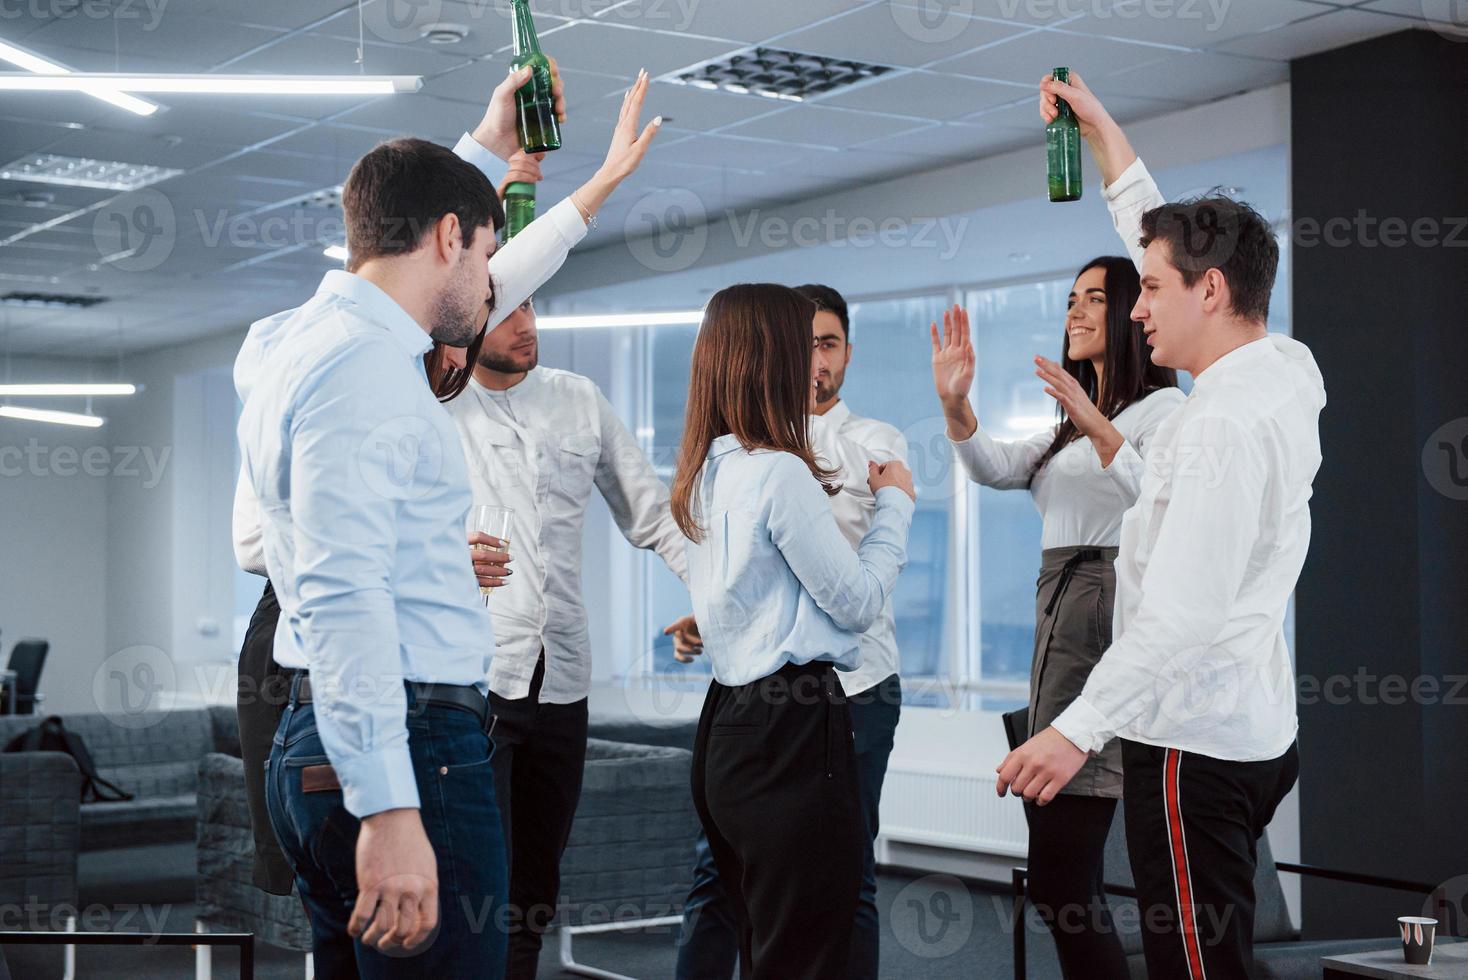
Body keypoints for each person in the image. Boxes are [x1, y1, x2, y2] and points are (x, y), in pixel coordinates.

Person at [234, 69, 661, 979]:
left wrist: (482, 148)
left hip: (325, 742)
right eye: (482, 256)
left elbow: (416, 237)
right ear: (449, 238)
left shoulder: (298, 339)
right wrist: (390, 810)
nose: (493, 287)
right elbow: (342, 592)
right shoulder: (363, 370)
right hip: (409, 744)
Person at [997, 70, 1325, 979]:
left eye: (1146, 290)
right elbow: (1154, 231)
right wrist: (1105, 132)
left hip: (1191, 746)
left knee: (1194, 968)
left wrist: (1075, 730)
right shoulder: (1282, 370)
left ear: (1210, 290)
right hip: (1254, 733)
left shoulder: (1216, 425)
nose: (1134, 308)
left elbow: (1180, 616)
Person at [441, 70, 686, 980]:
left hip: (564, 684)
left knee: (536, 882)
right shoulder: (440, 406)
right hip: (477, 684)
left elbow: (654, 518)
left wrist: (721, 591)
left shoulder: (578, 400)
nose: (527, 322)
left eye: (534, 303)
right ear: (472, 321)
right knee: (479, 876)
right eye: (508, 306)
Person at [933, 254, 1182, 977]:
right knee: (1061, 882)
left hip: (1103, 614)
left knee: (1062, 880)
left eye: (1095, 299)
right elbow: (993, 464)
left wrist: (1097, 423)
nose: (1074, 311)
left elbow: (1160, 503)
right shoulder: (1068, 430)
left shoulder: (1165, 412)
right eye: (1071, 298)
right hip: (1061, 617)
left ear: (1134, 314)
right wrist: (955, 403)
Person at [670, 282, 915, 980]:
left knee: (760, 933)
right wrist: (895, 503)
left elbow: (750, 596)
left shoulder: (704, 470)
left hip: (728, 727)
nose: (809, 361)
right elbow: (860, 602)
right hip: (793, 731)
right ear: (769, 359)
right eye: (796, 344)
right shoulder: (778, 472)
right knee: (807, 950)